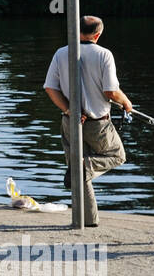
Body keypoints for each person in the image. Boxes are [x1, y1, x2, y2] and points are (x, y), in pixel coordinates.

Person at [43, 15, 133, 227]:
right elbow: (111, 91)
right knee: (117, 155)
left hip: (70, 121)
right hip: (97, 123)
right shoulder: (104, 54)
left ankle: (89, 220)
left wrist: (69, 110)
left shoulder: (61, 53)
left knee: (80, 170)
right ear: (98, 35)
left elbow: (50, 87)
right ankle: (83, 167)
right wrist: (126, 102)